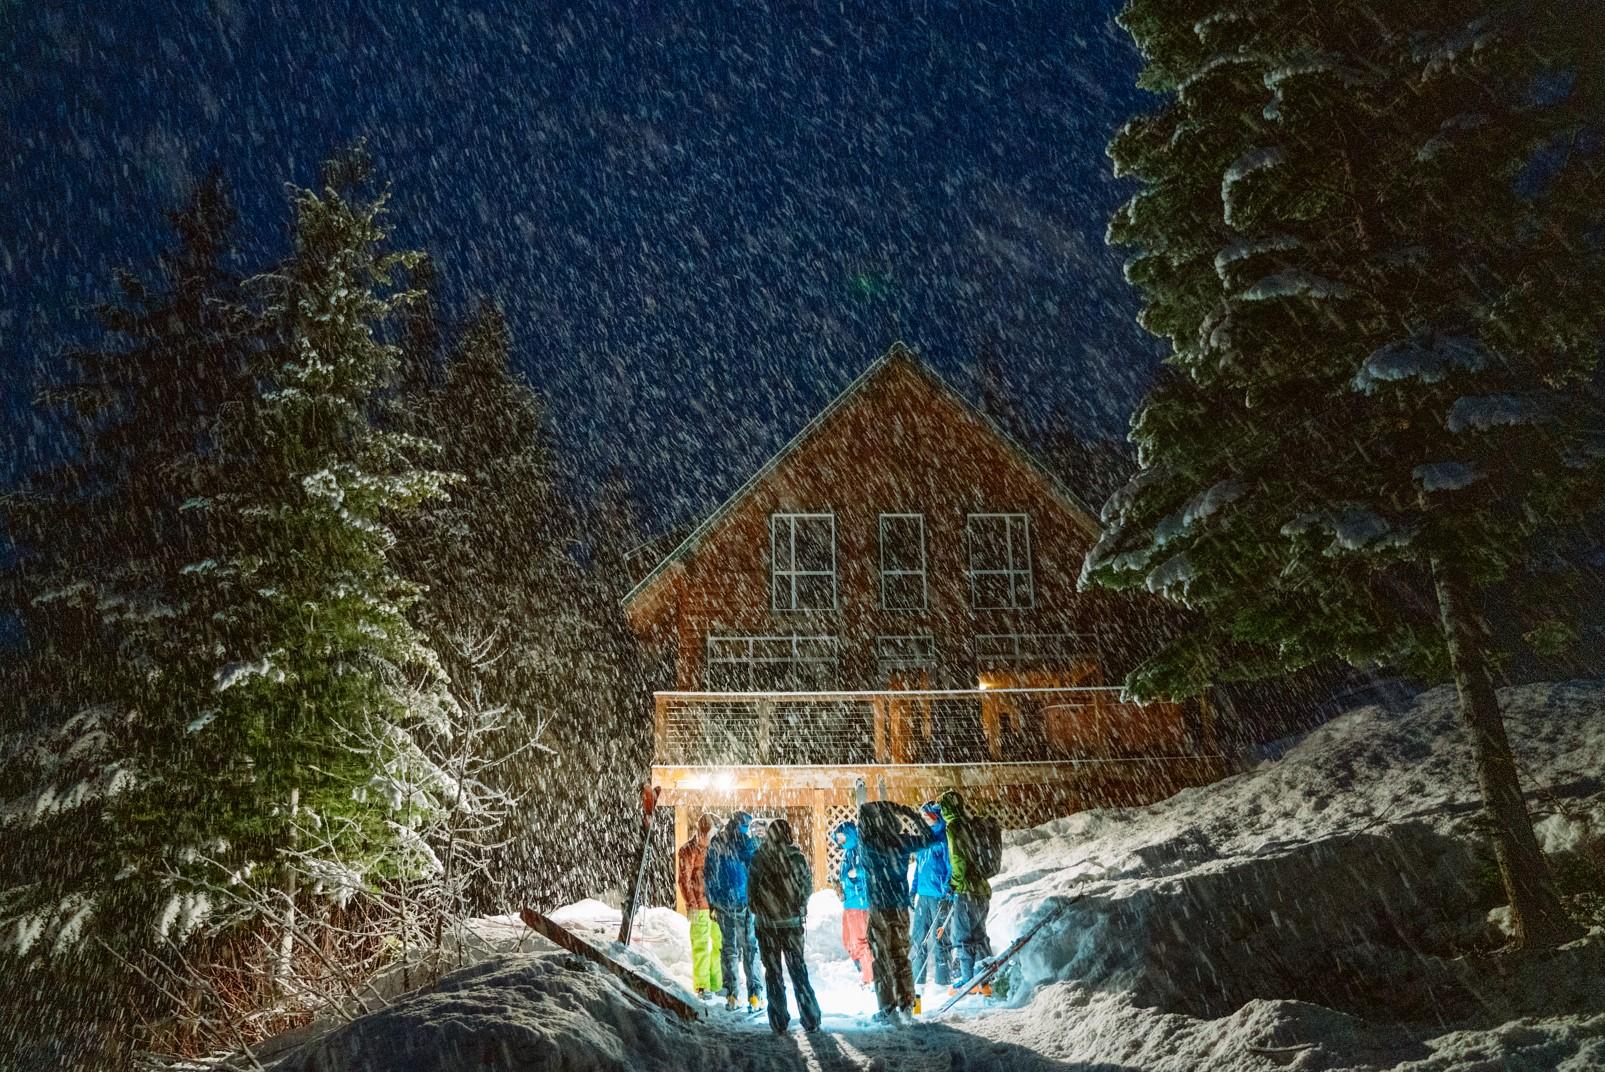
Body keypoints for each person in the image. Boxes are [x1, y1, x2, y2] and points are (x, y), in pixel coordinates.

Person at [856, 800, 942, 1023]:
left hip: (879, 907)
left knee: (882, 958)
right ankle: (906, 1002)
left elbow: (863, 820)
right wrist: (909, 814)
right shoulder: (900, 841)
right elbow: (931, 838)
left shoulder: (868, 843)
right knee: (900, 956)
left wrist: (884, 809)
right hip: (899, 907)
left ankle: (887, 1007)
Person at [747, 818, 823, 1034]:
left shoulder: (759, 858)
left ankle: (778, 1020)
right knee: (798, 970)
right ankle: (811, 1017)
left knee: (773, 972)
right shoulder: (797, 858)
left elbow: (751, 893)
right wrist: (797, 907)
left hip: (767, 926)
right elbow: (806, 887)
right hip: (792, 924)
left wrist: (761, 910)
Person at [705, 810, 764, 1012]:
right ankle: (755, 994)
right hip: (744, 903)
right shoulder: (747, 844)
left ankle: (731, 994)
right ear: (743, 825)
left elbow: (709, 874)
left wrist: (712, 901)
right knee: (750, 948)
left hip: (723, 904)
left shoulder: (717, 842)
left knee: (729, 949)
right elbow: (756, 872)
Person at [939, 789, 993, 992]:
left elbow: (958, 861)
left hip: (966, 890)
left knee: (961, 936)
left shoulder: (953, 826)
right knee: (979, 934)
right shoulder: (971, 823)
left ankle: (968, 978)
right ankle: (986, 976)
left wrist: (954, 883)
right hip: (982, 888)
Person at [908, 800, 953, 1008]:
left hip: (938, 896)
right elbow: (918, 868)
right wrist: (913, 889)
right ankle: (917, 984)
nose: (925, 820)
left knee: (940, 939)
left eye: (928, 817)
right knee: (918, 940)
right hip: (923, 897)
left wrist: (946, 892)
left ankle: (943, 984)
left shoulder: (944, 840)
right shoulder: (924, 841)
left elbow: (950, 867)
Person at [676, 812, 723, 999]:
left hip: (716, 906)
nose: (713, 836)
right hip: (700, 906)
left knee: (719, 944)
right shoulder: (688, 850)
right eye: (712, 832)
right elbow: (684, 880)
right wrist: (692, 904)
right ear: (704, 832)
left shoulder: (716, 849)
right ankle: (703, 986)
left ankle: (717, 983)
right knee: (701, 946)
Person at [830, 820, 874, 988]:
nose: (839, 841)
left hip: (860, 903)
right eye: (838, 838)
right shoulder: (848, 852)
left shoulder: (861, 850)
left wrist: (855, 873)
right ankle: (864, 971)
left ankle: (869, 978)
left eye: (841, 837)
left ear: (849, 835)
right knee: (848, 941)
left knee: (861, 942)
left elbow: (869, 870)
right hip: (849, 903)